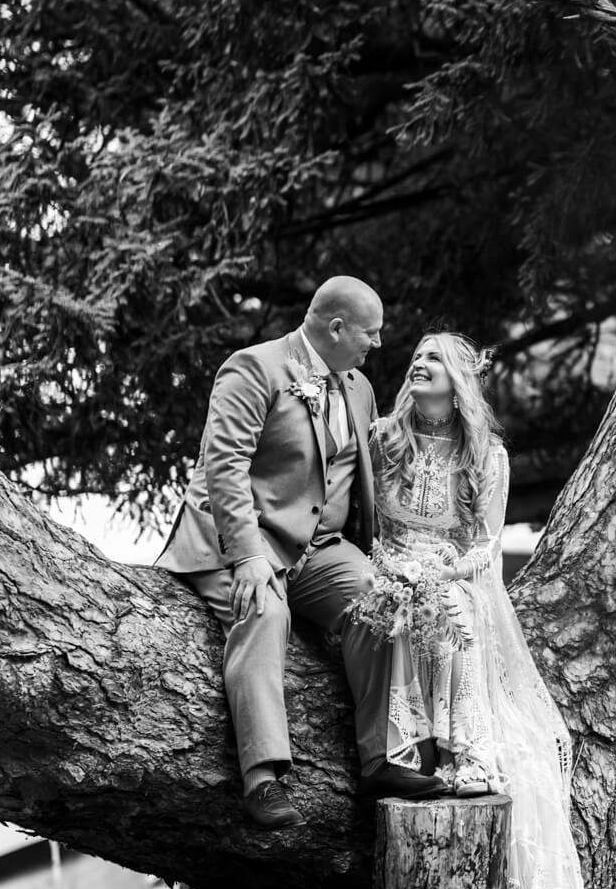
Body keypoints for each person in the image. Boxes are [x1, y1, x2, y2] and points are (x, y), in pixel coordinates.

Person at [361, 331, 616, 889]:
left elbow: (486, 547)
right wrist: (394, 571)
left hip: (454, 575)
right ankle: (408, 756)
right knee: (400, 610)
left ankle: (464, 758)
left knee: (453, 610)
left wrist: (439, 572)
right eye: (415, 358)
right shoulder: (384, 441)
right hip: (387, 570)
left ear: (460, 381)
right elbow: (363, 519)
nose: (418, 365)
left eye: (433, 359)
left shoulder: (486, 456)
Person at [154, 276, 446, 829]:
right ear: (336, 328)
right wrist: (246, 556)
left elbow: (359, 476)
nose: (378, 344)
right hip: (241, 541)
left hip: (320, 550)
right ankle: (262, 779)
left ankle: (383, 757)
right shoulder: (254, 368)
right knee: (265, 611)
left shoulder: (358, 387)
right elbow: (225, 467)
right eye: (371, 332)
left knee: (380, 599)